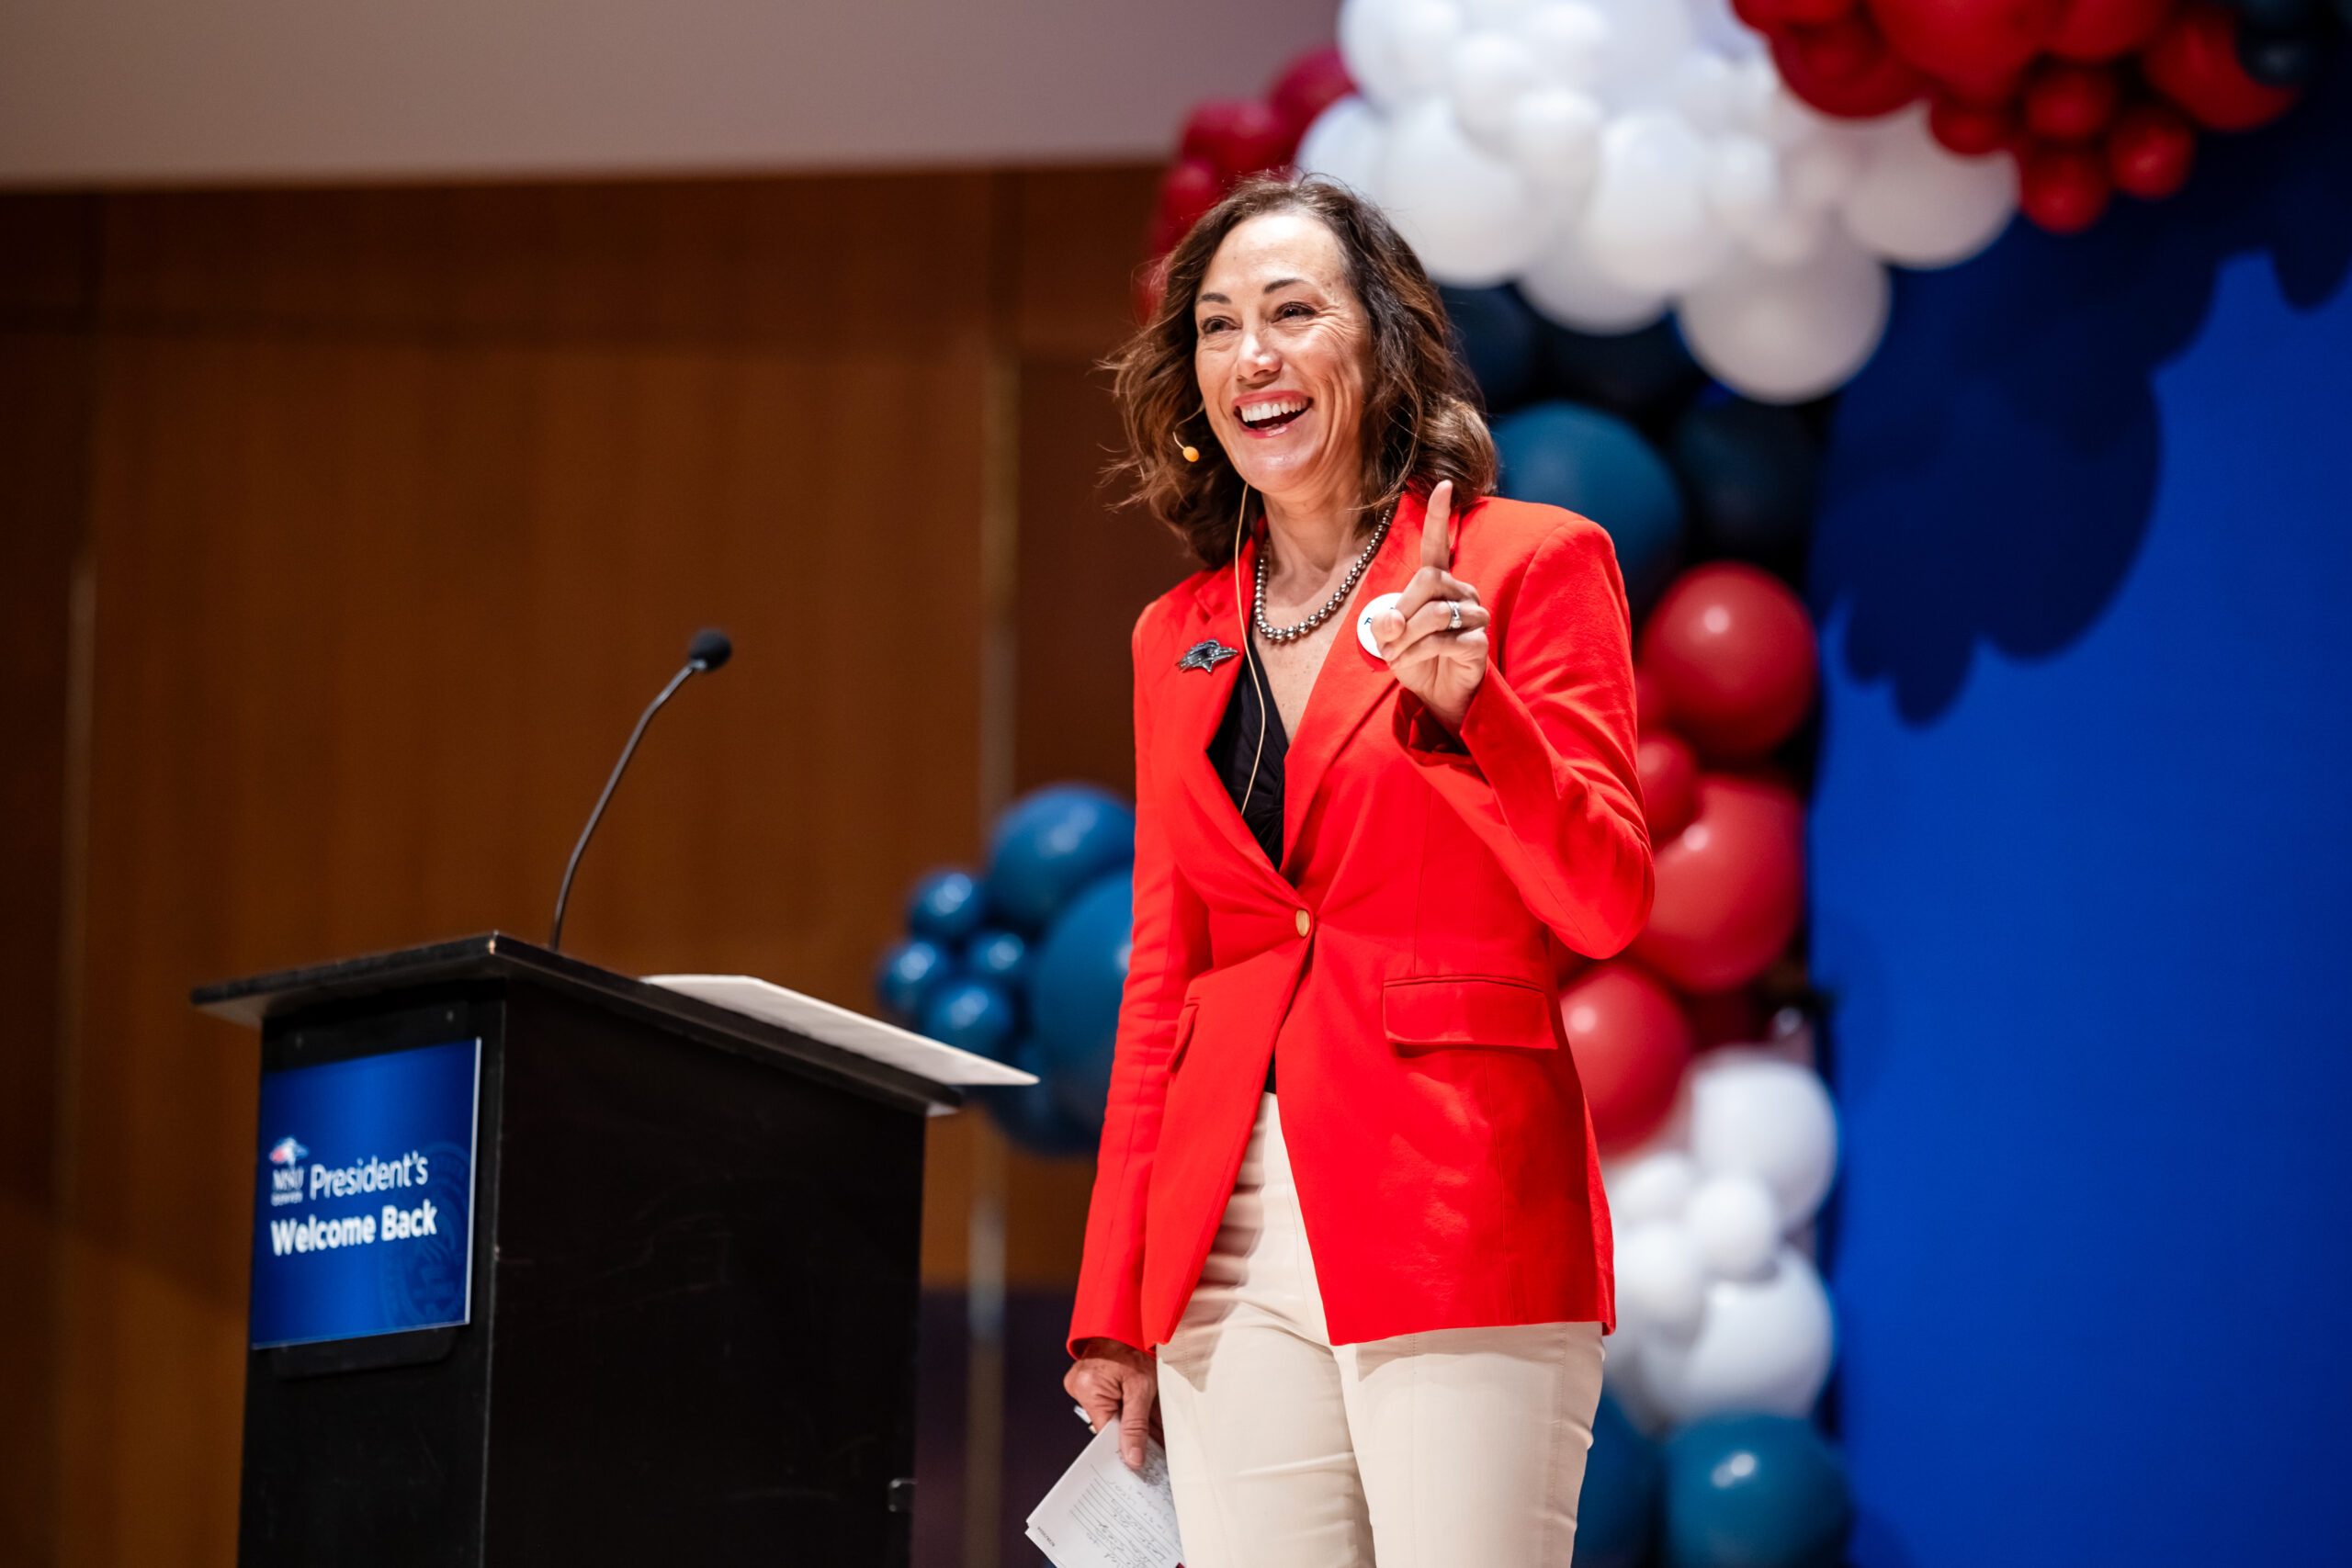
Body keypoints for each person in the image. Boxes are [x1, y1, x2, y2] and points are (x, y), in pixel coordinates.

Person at [1062, 174, 1654, 1568]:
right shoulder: (1176, 635)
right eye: (1216, 327)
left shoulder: (1531, 565)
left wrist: (1478, 712)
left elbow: (1607, 901)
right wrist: (1116, 1302)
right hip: (1220, 1241)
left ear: (1383, 346)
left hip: (1457, 1194)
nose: (1250, 356)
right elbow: (1168, 975)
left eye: (1291, 312)